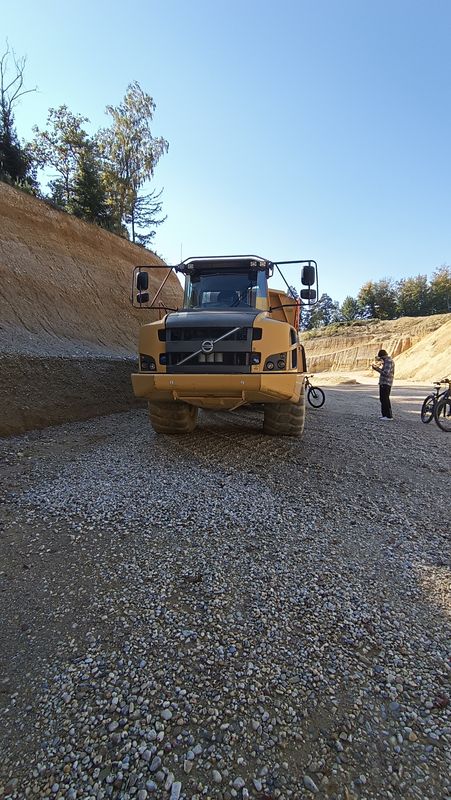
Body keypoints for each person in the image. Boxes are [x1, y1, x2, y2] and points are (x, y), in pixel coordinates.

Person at [372, 349, 395, 420]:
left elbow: (386, 373)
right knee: (383, 399)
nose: (381, 359)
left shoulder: (388, 361)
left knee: (385, 399)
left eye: (381, 358)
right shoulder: (387, 361)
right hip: (384, 383)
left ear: (383, 356)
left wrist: (377, 369)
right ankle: (385, 415)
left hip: (386, 382)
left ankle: (388, 416)